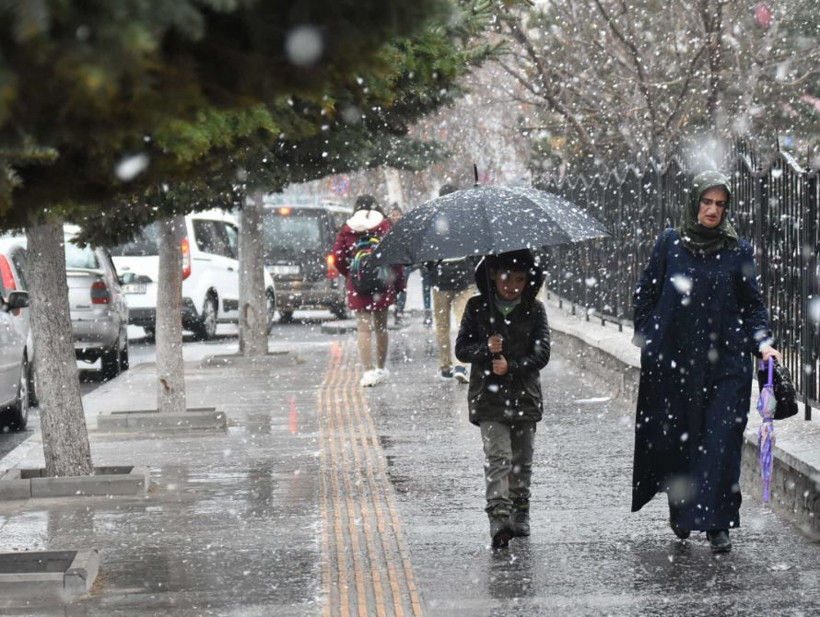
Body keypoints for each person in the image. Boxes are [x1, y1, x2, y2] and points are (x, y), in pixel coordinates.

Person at [631, 170, 782, 553]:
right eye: (707, 201)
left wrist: (763, 344)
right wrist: (649, 339)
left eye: (720, 204)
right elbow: (646, 294)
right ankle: (682, 510)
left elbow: (753, 307)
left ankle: (718, 522)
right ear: (694, 201)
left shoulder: (737, 250)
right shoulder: (670, 243)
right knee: (683, 439)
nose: (713, 210)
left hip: (728, 362)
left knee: (722, 441)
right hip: (677, 363)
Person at [455, 249, 551, 548]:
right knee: (498, 458)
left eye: (520, 280)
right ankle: (499, 516)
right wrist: (486, 348)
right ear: (493, 274)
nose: (512, 286)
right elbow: (461, 350)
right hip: (489, 399)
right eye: (506, 278)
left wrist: (513, 365)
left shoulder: (534, 310)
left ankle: (521, 508)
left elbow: (542, 354)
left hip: (525, 397)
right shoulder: (477, 308)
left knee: (522, 460)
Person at [333, 194, 405, 387]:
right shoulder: (385, 226)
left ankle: (368, 371)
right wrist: (398, 283)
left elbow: (338, 257)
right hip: (382, 282)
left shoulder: (347, 228)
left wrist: (350, 275)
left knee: (363, 329)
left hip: (358, 285)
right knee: (381, 328)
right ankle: (381, 368)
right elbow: (395, 256)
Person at [428, 184, 477, 381]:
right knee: (463, 323)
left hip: (440, 280)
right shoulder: (466, 219)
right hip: (464, 278)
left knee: (442, 325)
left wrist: (432, 268)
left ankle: (445, 365)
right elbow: (476, 249)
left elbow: (427, 253)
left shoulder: (433, 220)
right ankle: (461, 366)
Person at [388, 203, 408, 326]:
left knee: (403, 288)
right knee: (395, 288)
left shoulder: (405, 226)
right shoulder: (387, 227)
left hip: (404, 262)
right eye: (393, 215)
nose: (395, 217)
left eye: (397, 214)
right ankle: (397, 310)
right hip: (393, 263)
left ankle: (399, 310)